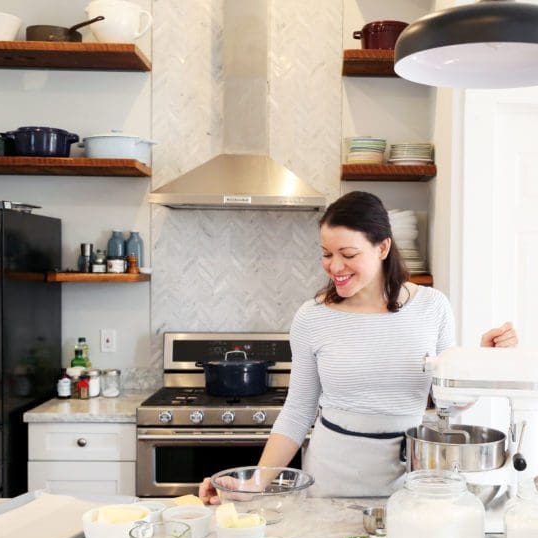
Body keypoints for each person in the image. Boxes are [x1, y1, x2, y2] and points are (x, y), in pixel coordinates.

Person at [199, 191, 517, 502]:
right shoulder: (312, 317)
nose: (335, 266)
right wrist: (256, 482)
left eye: (348, 254)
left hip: (412, 477)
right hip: (332, 476)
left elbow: (450, 404)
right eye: (326, 253)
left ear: (382, 247)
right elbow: (297, 411)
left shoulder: (432, 307)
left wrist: (482, 362)